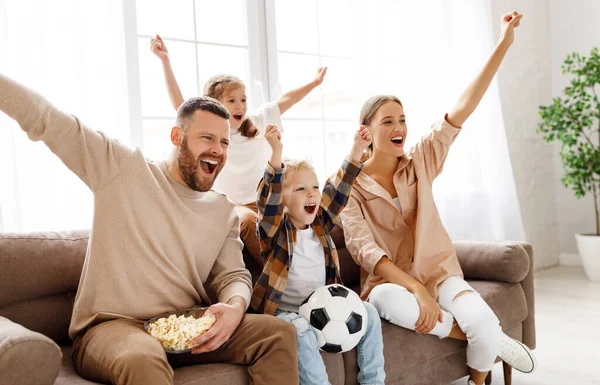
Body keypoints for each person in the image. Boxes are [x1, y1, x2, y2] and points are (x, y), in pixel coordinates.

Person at [0, 72, 299, 385]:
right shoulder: (122, 169)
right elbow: (46, 120)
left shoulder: (222, 210)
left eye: (224, 142)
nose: (218, 150)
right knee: (143, 357)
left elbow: (233, 275)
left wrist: (236, 307)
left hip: (187, 327)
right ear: (176, 137)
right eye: (207, 138)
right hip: (114, 329)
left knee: (278, 332)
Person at [339, 12, 537, 385]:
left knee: (479, 319)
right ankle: (494, 339)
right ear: (366, 131)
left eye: (402, 119)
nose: (399, 127)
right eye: (388, 121)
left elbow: (462, 109)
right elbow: (367, 252)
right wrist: (415, 289)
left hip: (440, 271)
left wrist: (504, 43)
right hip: (391, 285)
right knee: (386, 302)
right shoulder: (349, 185)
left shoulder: (421, 161)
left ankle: (481, 369)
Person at [151, 35, 327, 263]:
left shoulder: (257, 121)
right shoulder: (212, 131)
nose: (240, 106)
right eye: (231, 100)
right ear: (214, 104)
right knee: (246, 221)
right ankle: (282, 271)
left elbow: (287, 100)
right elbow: (180, 106)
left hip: (267, 201)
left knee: (302, 210)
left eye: (243, 100)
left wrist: (314, 83)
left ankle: (314, 265)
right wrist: (165, 61)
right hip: (235, 206)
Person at [250, 124, 386, 385]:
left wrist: (358, 149)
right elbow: (268, 200)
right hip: (284, 314)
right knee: (301, 331)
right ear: (284, 202)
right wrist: (276, 152)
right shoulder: (275, 231)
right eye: (300, 189)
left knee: (369, 312)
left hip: (322, 311)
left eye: (313, 187)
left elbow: (339, 188)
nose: (311, 193)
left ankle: (374, 382)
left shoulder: (320, 225)